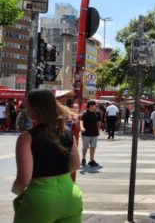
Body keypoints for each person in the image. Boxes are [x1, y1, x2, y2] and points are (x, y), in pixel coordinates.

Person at [11, 89, 83, 222]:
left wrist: (16, 190)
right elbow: (75, 164)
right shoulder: (67, 132)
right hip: (70, 196)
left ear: (34, 110)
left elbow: (23, 180)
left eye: (27, 107)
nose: (26, 111)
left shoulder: (27, 138)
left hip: (41, 199)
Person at [80, 100, 101, 167]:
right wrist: (82, 127)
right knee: (85, 147)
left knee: (93, 147)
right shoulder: (85, 113)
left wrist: (98, 130)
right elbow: (81, 121)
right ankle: (83, 159)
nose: (95, 106)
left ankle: (91, 160)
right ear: (91, 106)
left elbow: (98, 122)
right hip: (86, 133)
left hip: (94, 133)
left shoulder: (97, 113)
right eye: (95, 105)